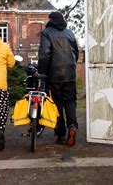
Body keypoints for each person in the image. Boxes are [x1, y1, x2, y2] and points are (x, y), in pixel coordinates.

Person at [38, 12, 79, 147]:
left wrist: (42, 72)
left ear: (51, 20)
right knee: (70, 102)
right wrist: (72, 66)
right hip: (70, 74)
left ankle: (61, 134)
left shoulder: (46, 33)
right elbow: (76, 53)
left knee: (57, 105)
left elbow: (45, 54)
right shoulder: (70, 33)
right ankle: (72, 126)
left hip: (54, 75)